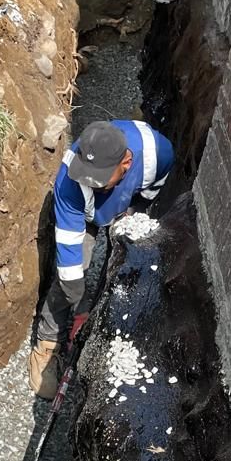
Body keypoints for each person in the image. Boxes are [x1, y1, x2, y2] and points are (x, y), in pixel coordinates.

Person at [29, 117, 174, 398]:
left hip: (125, 205)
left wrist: (131, 216)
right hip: (83, 213)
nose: (90, 181)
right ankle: (47, 341)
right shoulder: (70, 182)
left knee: (119, 266)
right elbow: (70, 259)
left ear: (126, 164)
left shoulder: (159, 154)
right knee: (71, 276)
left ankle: (98, 317)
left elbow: (151, 191)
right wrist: (79, 303)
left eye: (99, 179)